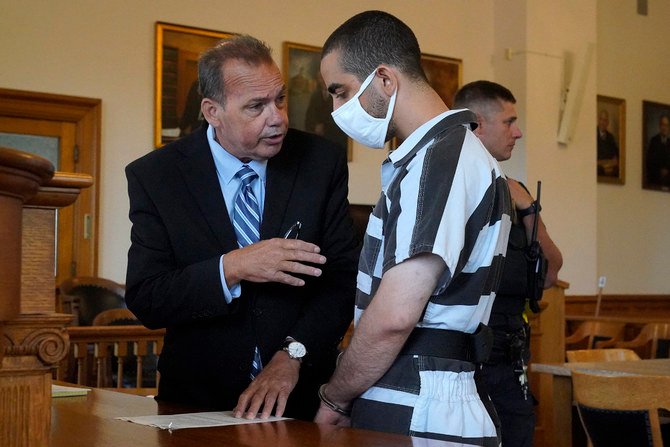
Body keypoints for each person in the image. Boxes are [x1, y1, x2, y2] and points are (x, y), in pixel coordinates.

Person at [125, 35, 358, 421]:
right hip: (195, 404)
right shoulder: (157, 176)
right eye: (256, 106)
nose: (278, 117)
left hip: (299, 399)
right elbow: (148, 297)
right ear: (212, 111)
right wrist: (232, 267)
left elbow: (341, 278)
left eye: (280, 99)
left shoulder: (320, 161)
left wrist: (292, 355)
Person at [315, 11, 511, 446]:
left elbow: (394, 316)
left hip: (422, 402)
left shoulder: (440, 158)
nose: (336, 109)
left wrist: (335, 396)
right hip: (422, 391)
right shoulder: (445, 153)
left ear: (384, 79)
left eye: (341, 91)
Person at [454, 80, 563, 447]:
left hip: (510, 360)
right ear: (477, 125)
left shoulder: (516, 190)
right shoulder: (453, 187)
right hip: (462, 366)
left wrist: (529, 209)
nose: (518, 132)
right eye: (509, 121)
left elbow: (550, 273)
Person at [646, 114, 670, 188]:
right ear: (659, 126)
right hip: (655, 179)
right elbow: (649, 161)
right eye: (663, 125)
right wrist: (660, 171)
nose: (664, 128)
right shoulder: (654, 141)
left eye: (667, 125)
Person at [596, 109, 619, 177]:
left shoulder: (611, 137)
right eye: (601, 119)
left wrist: (606, 164)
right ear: (598, 120)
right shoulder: (592, 135)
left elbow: (615, 160)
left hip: (610, 168)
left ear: (608, 122)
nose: (603, 122)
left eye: (605, 120)